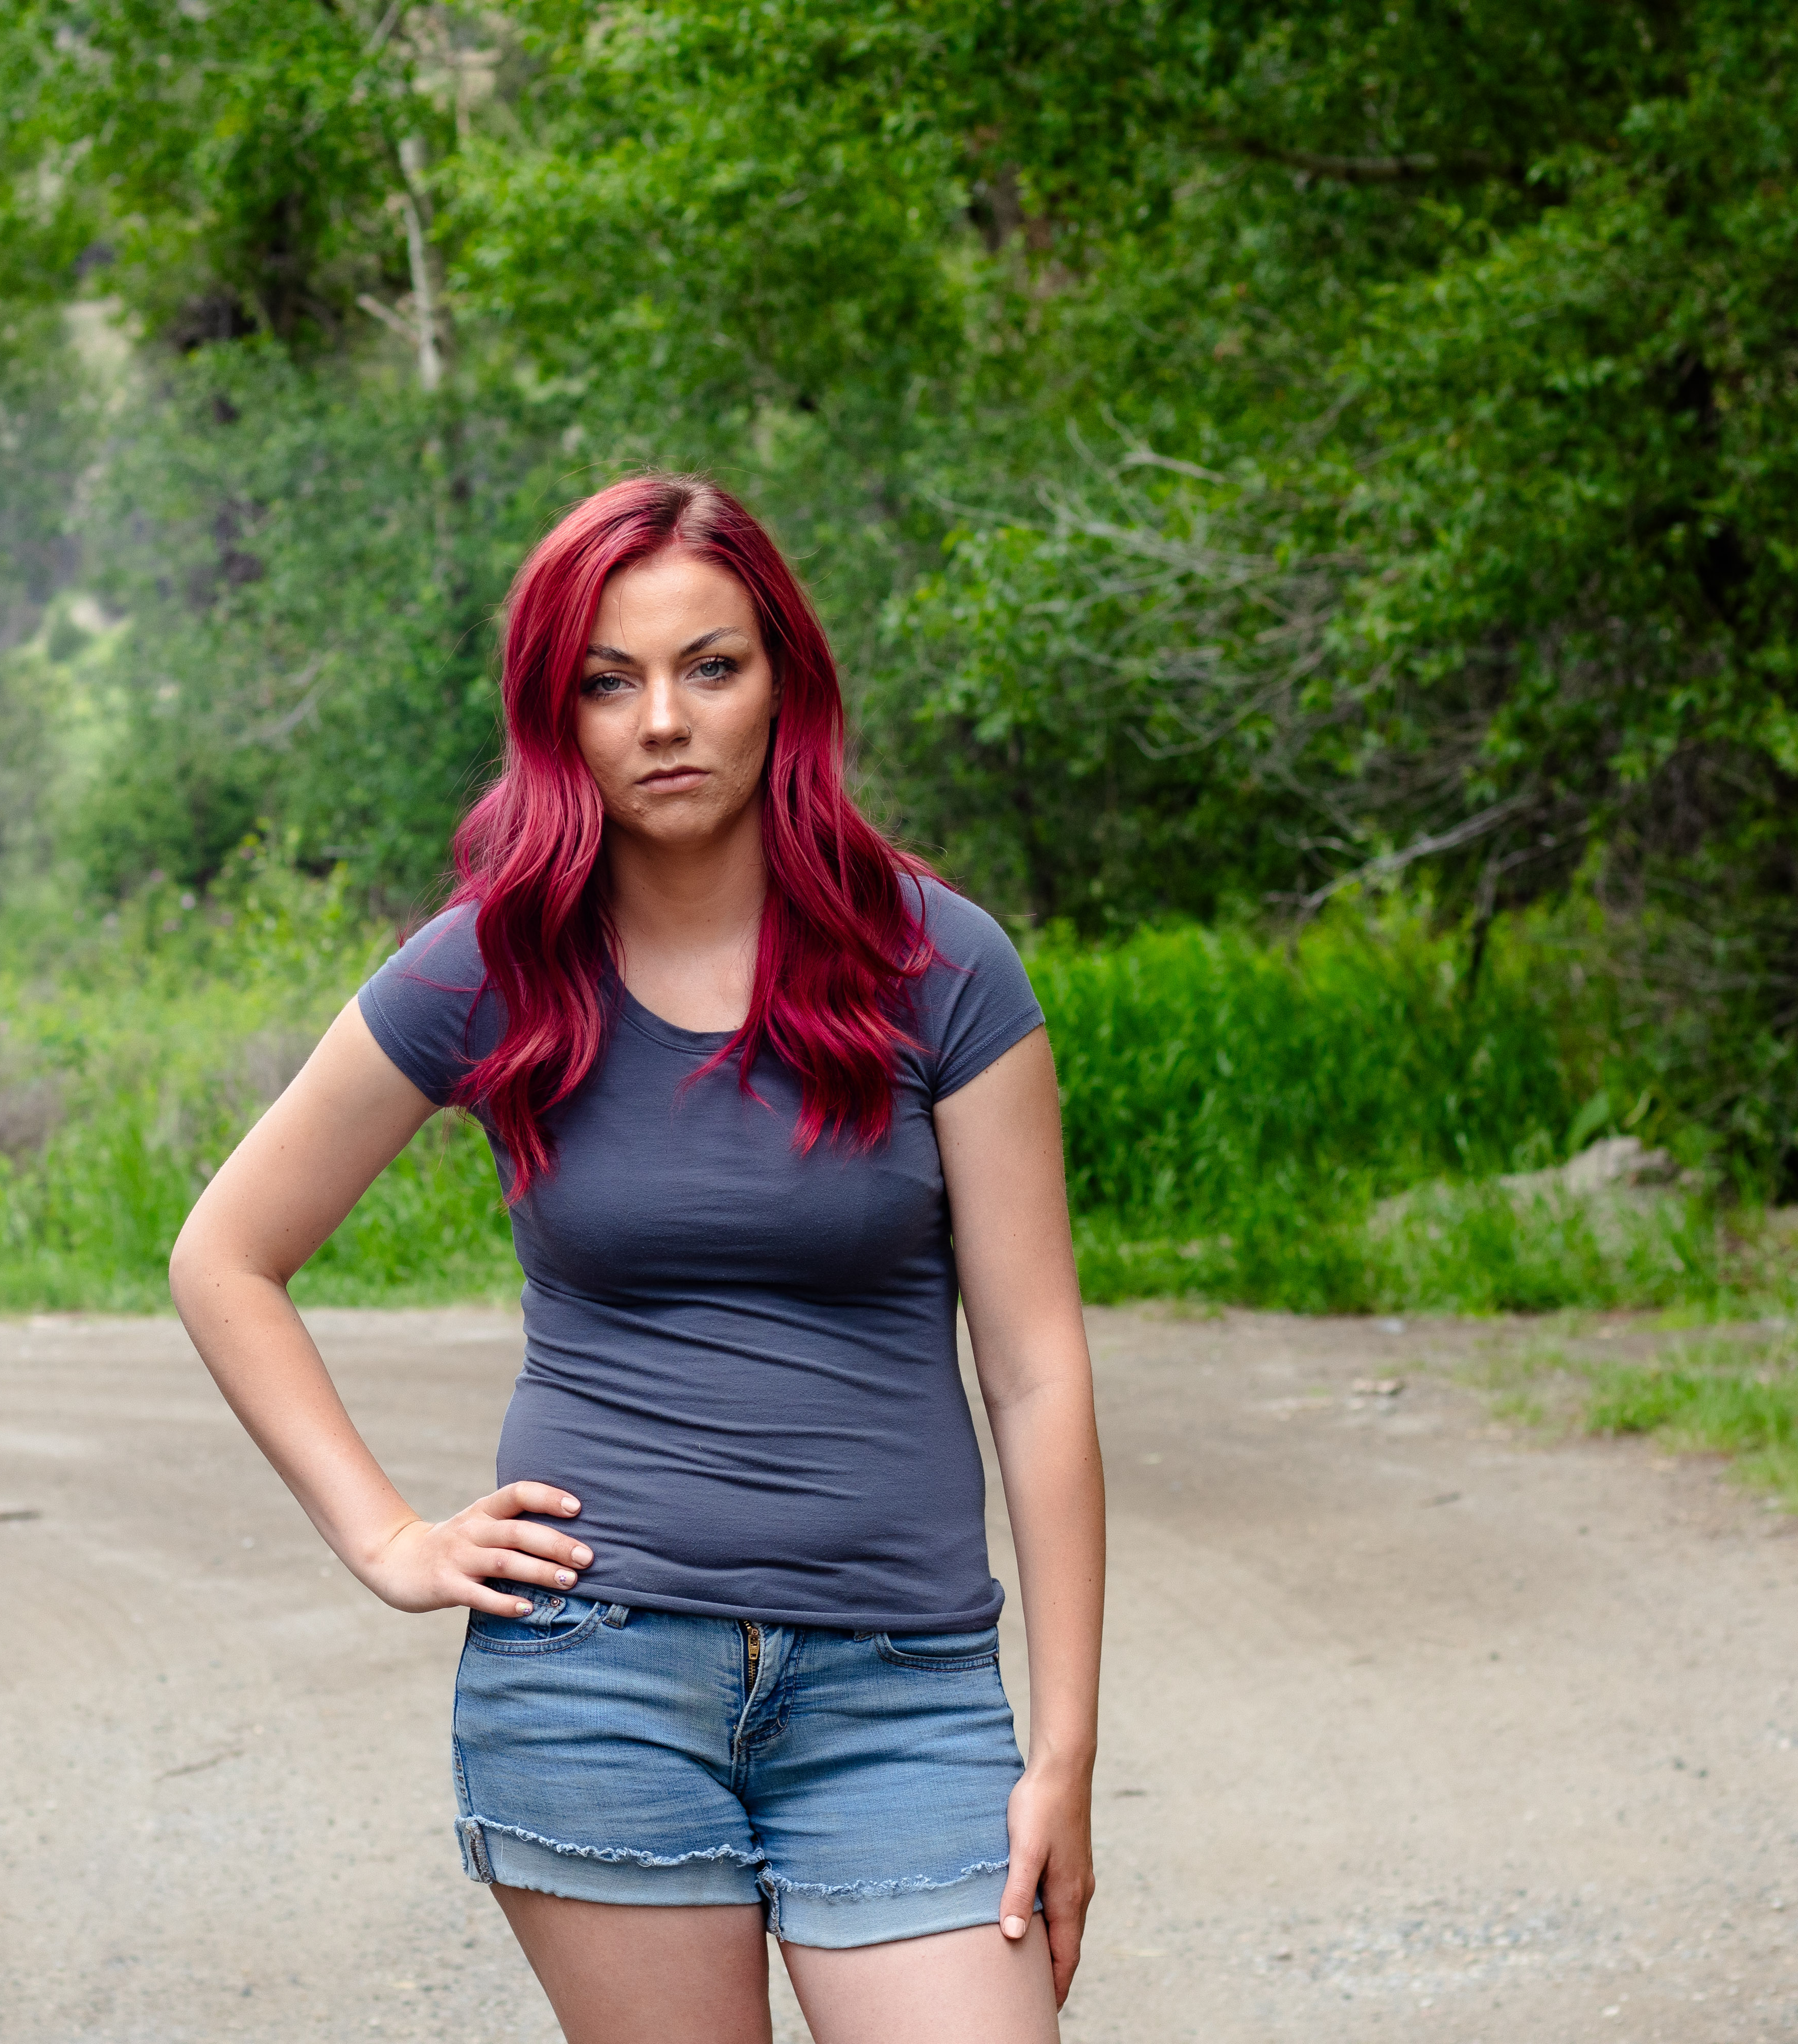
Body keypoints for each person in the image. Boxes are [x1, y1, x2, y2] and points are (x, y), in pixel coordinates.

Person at [169, 474, 1104, 2044]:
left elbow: (1034, 1370)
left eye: (709, 667)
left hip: (905, 1687)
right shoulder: (492, 964)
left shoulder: (940, 966)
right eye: (611, 681)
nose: (663, 718)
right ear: (562, 717)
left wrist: (1063, 1750)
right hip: (596, 1677)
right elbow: (227, 1254)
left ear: (784, 686)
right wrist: (388, 1538)